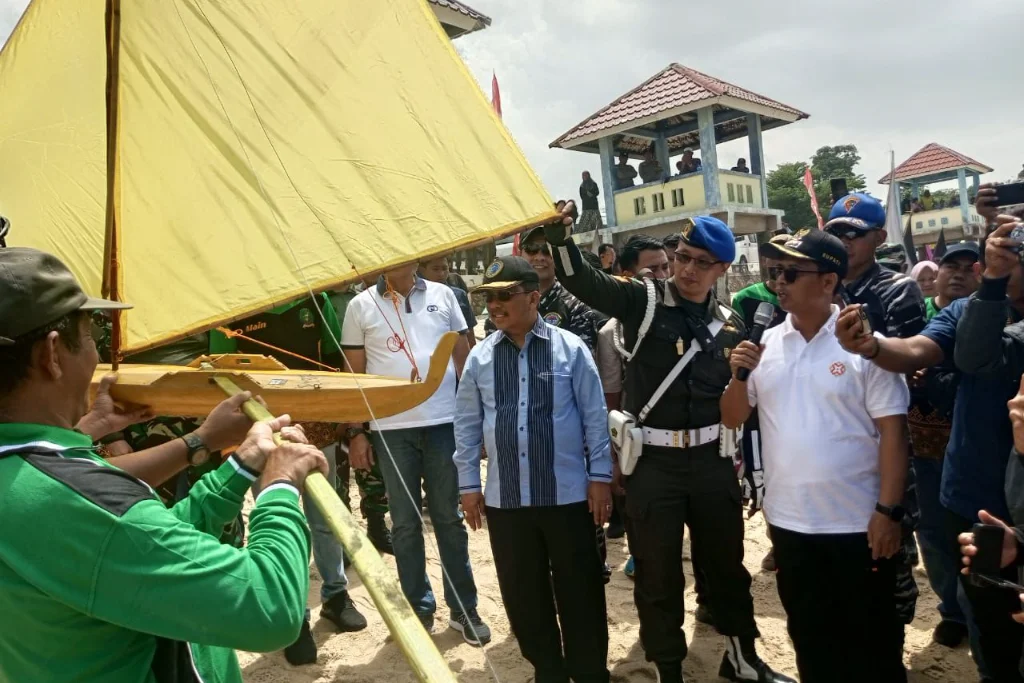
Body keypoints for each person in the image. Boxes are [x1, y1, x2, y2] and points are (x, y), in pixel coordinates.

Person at [0, 247, 328, 683]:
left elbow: (141, 549)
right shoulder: (77, 501)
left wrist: (239, 469)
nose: (98, 356)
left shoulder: (29, 476)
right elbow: (269, 609)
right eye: (93, 336)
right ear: (53, 355)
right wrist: (280, 488)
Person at [543, 207, 794, 683]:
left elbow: (733, 406)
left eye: (702, 262)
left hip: (712, 460)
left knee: (726, 566)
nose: (687, 270)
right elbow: (586, 283)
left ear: (721, 268)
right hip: (654, 464)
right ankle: (669, 669)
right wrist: (561, 240)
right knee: (658, 575)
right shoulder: (645, 301)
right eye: (682, 257)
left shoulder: (730, 327)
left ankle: (742, 657)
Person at [833, 223, 1024, 680]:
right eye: (1000, 254)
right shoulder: (966, 311)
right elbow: (918, 349)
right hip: (975, 495)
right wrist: (873, 346)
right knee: (991, 626)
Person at [721, 230, 910, 683]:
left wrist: (888, 511)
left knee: (873, 645)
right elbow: (731, 418)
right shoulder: (765, 345)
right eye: (773, 274)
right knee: (811, 640)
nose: (778, 283)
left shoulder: (863, 345)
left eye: (790, 273)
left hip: (858, 526)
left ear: (828, 282)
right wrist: (737, 376)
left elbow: (893, 434)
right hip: (791, 527)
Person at [455, 255, 613, 683]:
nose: (495, 305)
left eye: (505, 295)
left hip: (567, 497)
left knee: (579, 592)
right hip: (507, 501)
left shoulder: (570, 348)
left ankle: (589, 672)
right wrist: (469, 485)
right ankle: (548, 670)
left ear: (533, 296)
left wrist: (600, 478)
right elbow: (467, 425)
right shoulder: (480, 359)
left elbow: (594, 417)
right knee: (523, 597)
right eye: (489, 297)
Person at [340, 263, 490, 644]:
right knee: (404, 524)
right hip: (391, 430)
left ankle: (463, 609)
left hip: (444, 425)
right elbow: (354, 374)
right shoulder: (360, 305)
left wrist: (473, 420)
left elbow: (464, 359)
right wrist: (357, 432)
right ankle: (419, 611)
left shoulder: (446, 296)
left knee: (449, 518)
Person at [825, 192, 925, 631]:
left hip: (886, 433)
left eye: (855, 234)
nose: (845, 241)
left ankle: (894, 636)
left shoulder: (896, 288)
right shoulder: (824, 286)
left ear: (880, 237)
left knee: (892, 553)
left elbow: (908, 366)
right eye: (836, 233)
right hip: (840, 435)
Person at [906, 242, 980, 649]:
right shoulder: (919, 315)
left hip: (976, 449)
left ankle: (981, 611)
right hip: (925, 447)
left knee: (979, 534)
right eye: (952, 265)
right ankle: (953, 611)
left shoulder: (997, 317)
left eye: (971, 268)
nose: (959, 274)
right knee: (933, 534)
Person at [730, 233, 792, 573]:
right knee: (761, 477)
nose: (780, 275)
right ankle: (776, 538)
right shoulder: (747, 298)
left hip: (793, 398)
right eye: (773, 264)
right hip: (757, 399)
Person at [486, 226, 598, 351]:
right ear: (520, 252)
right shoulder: (501, 308)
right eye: (531, 249)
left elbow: (582, 363)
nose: (539, 257)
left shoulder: (576, 308)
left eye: (547, 250)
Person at [419, 255, 478, 349]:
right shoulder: (416, 297)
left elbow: (469, 333)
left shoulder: (458, 295)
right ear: (422, 270)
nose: (441, 274)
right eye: (435, 269)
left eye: (445, 268)